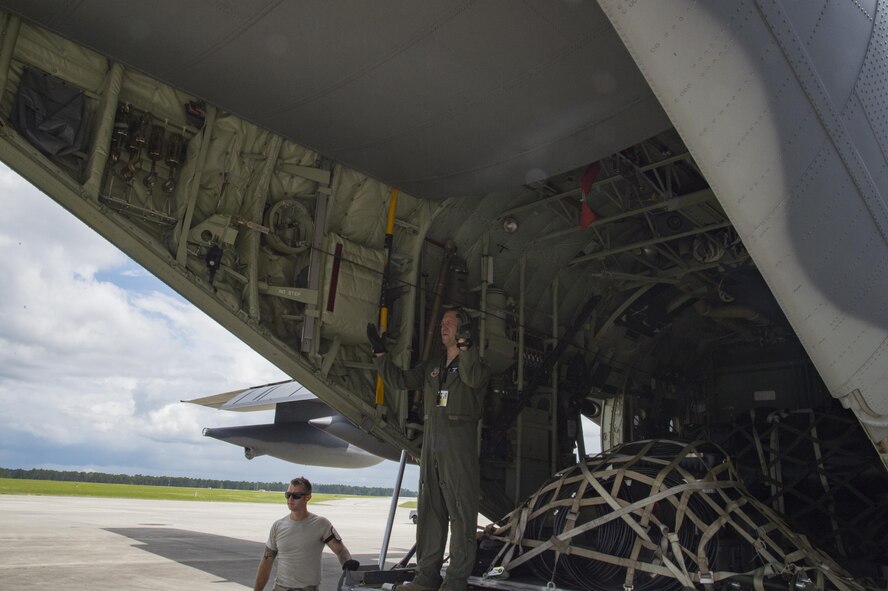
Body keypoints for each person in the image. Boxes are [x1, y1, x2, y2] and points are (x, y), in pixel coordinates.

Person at [368, 307, 490, 591]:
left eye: (450, 323)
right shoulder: (432, 367)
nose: (443, 327)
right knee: (430, 513)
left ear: (462, 329)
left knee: (461, 514)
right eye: (443, 322)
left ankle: (455, 581)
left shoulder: (477, 365)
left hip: (458, 448)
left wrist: (466, 346)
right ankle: (425, 577)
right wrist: (379, 354)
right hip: (431, 448)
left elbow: (472, 378)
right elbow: (399, 381)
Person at [253, 476, 359, 591]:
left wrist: (347, 562)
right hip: (280, 588)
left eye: (296, 495)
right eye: (288, 495)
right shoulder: (278, 526)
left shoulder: (321, 524)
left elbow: (340, 550)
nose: (290, 499)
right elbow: (266, 561)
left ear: (307, 497)